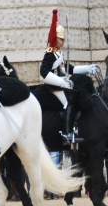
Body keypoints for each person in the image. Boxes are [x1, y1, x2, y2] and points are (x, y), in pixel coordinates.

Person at [39, 8, 97, 145]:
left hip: (61, 86)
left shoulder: (59, 54)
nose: (63, 41)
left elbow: (69, 69)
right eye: (61, 38)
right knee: (69, 102)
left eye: (64, 38)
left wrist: (87, 69)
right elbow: (44, 72)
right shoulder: (50, 53)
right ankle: (67, 133)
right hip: (53, 88)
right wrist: (61, 82)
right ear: (55, 38)